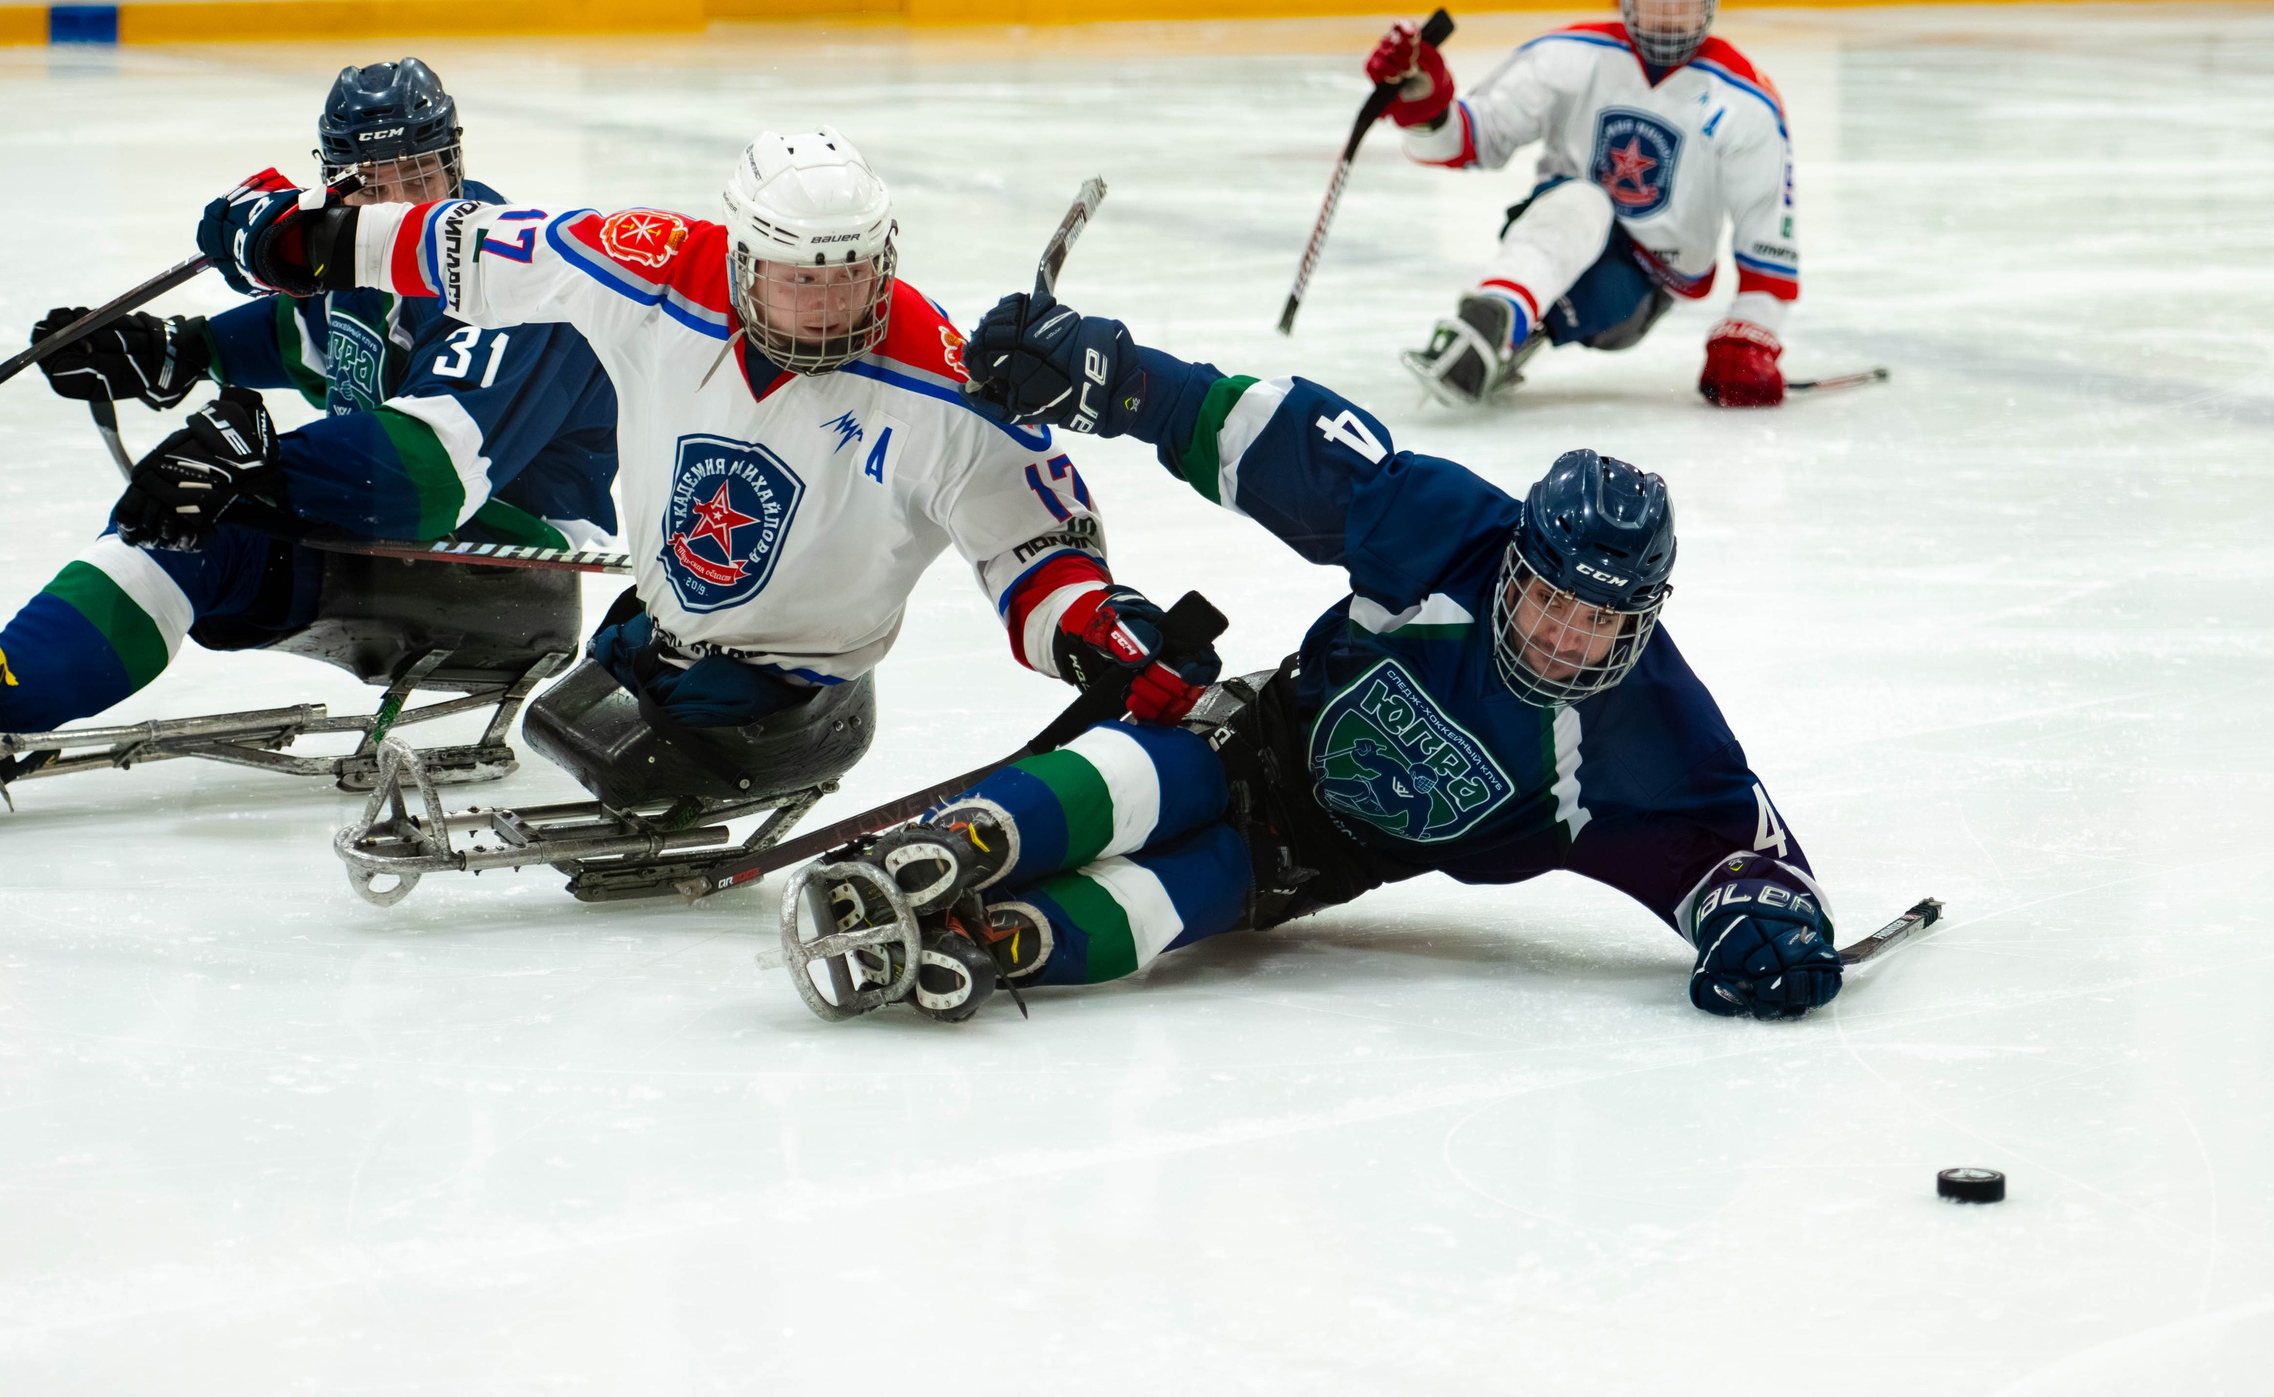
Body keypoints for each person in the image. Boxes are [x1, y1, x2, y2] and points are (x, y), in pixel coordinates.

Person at [784, 287, 1845, 1025]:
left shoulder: (1648, 722)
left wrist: (1762, 923)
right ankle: (963, 839)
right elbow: (1280, 439)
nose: (1565, 636)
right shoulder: (1445, 526)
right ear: (1516, 555)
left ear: (1640, 621)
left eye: (1598, 623)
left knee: (1172, 905)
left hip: (1313, 861)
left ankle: (988, 940)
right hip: (1264, 734)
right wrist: (1118, 381)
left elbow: (1741, 861)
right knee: (1149, 772)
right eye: (1550, 600)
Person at [193, 126, 1217, 820]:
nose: (827, 301)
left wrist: (1095, 625)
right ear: (741, 252)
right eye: (799, 275)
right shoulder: (657, 269)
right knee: (573, 711)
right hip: (661, 621)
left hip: (791, 674)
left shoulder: (940, 376)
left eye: (851, 272)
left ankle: (799, 718)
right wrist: (318, 239)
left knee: (624, 756)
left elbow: (1033, 535)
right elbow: (477, 243)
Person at [0, 59, 621, 823]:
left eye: (423, 173)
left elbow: (428, 473)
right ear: (339, 184)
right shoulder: (360, 262)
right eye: (377, 183)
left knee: (206, 529)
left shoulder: (514, 279)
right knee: (183, 521)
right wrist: (165, 351)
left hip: (513, 579)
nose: (405, 201)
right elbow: (296, 333)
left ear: (455, 162)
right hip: (425, 554)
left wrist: (251, 467)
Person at [1382, 0, 1801, 408]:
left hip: (1642, 285)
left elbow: (1767, 232)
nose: (1667, 18)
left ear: (1710, 2)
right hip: (1555, 231)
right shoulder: (1567, 58)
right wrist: (1428, 109)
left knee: (1606, 273)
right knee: (1583, 201)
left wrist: (1751, 333)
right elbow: (1472, 140)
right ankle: (1493, 323)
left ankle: (1501, 330)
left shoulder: (1745, 102)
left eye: (1684, 0)